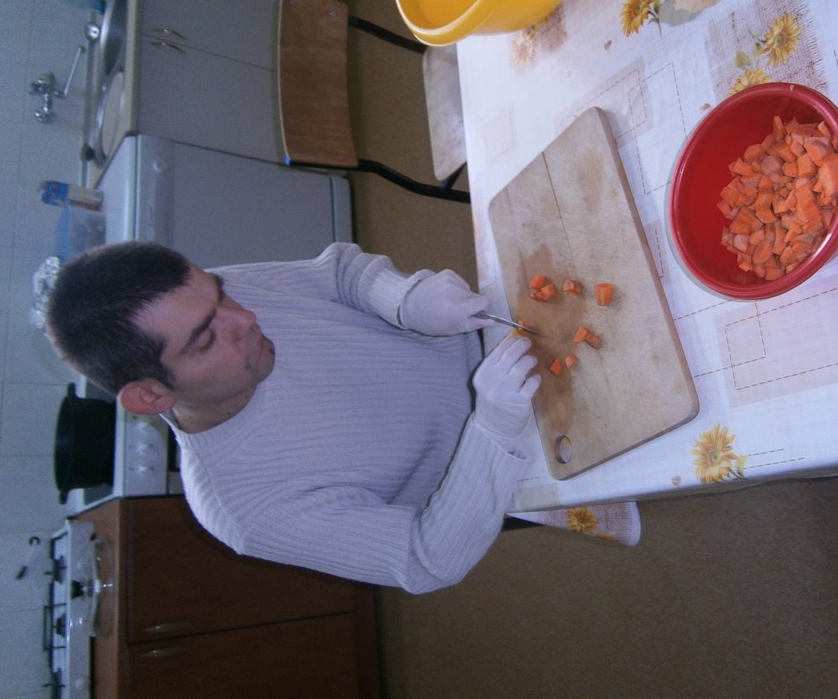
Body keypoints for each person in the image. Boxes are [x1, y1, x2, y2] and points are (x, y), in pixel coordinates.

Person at [45, 241, 541, 593]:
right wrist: (495, 426)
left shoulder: (200, 304)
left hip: (505, 335)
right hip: (519, 466)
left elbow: (341, 273)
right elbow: (426, 559)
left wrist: (403, 299)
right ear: (150, 395)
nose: (245, 318)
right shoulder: (245, 510)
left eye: (221, 292)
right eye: (207, 339)